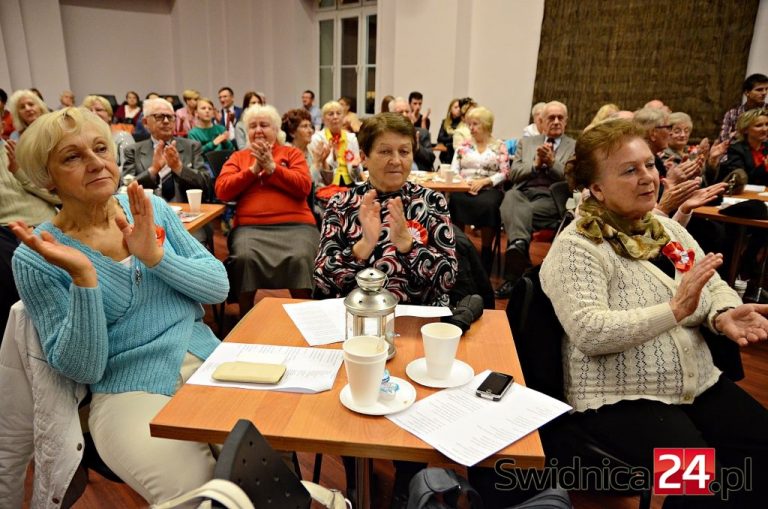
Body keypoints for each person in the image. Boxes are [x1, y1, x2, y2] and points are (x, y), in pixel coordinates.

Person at [539, 118, 768, 508]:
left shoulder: (663, 228)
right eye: (630, 170)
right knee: (701, 481)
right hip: (617, 398)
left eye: (649, 165)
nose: (648, 178)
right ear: (596, 188)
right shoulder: (577, 247)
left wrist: (723, 314)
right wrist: (674, 310)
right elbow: (590, 332)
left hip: (696, 384)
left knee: (760, 452)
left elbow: (710, 285)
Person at [9, 107, 228, 505]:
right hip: (126, 387)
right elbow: (83, 368)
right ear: (46, 178)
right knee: (195, 493)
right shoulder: (37, 256)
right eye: (72, 157)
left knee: (262, 462)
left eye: (100, 149)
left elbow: (218, 287)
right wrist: (84, 281)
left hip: (207, 358)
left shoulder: (150, 208)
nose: (95, 163)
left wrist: (157, 258)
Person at [314, 112, 457, 306]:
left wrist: (408, 246)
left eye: (404, 152)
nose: (396, 161)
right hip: (358, 315)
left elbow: (447, 280)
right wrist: (363, 246)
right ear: (364, 157)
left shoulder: (431, 201)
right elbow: (323, 281)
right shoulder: (341, 204)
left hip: (417, 315)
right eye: (385, 152)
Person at [216, 104, 319, 317]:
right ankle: (246, 315)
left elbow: (304, 187)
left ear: (276, 129)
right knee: (244, 258)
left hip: (296, 226)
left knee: (301, 257)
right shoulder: (239, 158)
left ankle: (307, 315)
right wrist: (253, 171)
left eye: (264, 125)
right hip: (250, 228)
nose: (258, 130)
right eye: (252, 126)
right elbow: (222, 190)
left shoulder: (291, 154)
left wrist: (273, 168)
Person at [495, 101, 576, 298]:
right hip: (523, 192)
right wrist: (535, 165)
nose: (556, 122)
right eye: (551, 117)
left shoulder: (574, 146)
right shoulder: (527, 142)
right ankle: (520, 248)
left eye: (560, 118)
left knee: (518, 212)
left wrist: (552, 163)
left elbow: (573, 181)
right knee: (512, 196)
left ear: (566, 121)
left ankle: (514, 271)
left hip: (551, 197)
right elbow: (514, 175)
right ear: (541, 121)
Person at [447, 106, 509, 273]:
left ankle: (486, 254)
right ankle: (457, 248)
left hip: (489, 188)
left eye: (475, 124)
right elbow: (454, 169)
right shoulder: (463, 147)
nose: (471, 128)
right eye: (470, 124)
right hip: (465, 187)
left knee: (489, 205)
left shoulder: (499, 146)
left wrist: (485, 182)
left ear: (486, 125)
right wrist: (466, 184)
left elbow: (505, 172)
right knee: (456, 201)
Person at [308, 100, 362, 190]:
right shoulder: (317, 139)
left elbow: (357, 170)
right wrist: (333, 156)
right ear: (323, 119)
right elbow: (317, 168)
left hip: (350, 182)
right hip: (327, 184)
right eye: (331, 114)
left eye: (339, 113)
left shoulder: (351, 138)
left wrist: (355, 166)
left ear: (343, 117)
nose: (335, 117)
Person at [81, 95, 135, 170]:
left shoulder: (123, 137)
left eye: (99, 110)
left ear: (109, 115)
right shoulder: (81, 141)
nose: (93, 113)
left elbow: (129, 168)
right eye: (89, 110)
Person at [718, 107, 768, 186]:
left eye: (767, 124)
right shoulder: (736, 149)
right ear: (745, 130)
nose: (765, 129)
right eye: (759, 126)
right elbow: (741, 179)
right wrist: (764, 166)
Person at [718, 73, 768, 143]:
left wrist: (737, 135)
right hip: (737, 151)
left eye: (766, 89)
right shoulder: (733, 113)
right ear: (747, 92)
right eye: (759, 90)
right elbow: (723, 139)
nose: (764, 93)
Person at [389, 97, 435, 172]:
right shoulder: (387, 135)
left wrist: (417, 148)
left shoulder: (422, 133)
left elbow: (430, 160)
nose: (405, 115)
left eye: (407, 112)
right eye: (400, 112)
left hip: (420, 177)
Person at [436, 98, 462, 164]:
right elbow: (440, 138)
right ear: (450, 109)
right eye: (456, 107)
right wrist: (453, 137)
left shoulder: (463, 123)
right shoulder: (445, 122)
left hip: (459, 152)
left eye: (460, 107)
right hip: (446, 153)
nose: (458, 109)